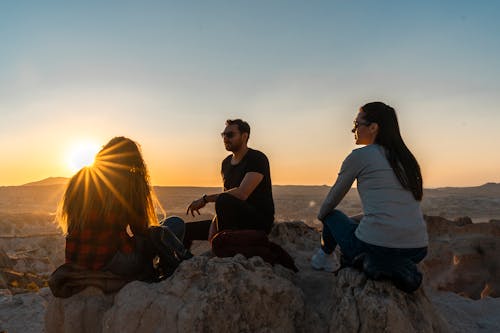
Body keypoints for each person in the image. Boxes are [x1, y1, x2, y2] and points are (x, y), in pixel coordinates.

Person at [311, 102, 428, 292]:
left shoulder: (360, 156)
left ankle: (324, 258)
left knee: (333, 215)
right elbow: (393, 210)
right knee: (354, 223)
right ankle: (391, 264)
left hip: (377, 244)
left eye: (357, 124)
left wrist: (324, 219)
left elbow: (332, 200)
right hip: (417, 249)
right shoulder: (406, 160)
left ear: (373, 127)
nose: (353, 130)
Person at [57, 136, 192, 281]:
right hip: (114, 262)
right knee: (175, 224)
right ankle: (165, 271)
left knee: (163, 230)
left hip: (77, 263)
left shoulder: (80, 177)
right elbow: (140, 230)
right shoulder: (130, 182)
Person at [184, 119, 275, 247]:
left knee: (223, 199)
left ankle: (225, 244)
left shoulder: (257, 158)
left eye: (230, 135)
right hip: (232, 221)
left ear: (244, 136)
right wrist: (214, 227)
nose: (225, 138)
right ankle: (182, 263)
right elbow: (226, 198)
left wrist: (205, 199)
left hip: (257, 222)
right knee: (183, 230)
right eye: (223, 135)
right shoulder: (226, 163)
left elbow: (241, 194)